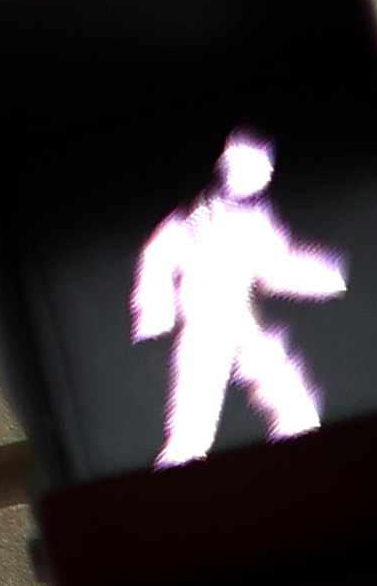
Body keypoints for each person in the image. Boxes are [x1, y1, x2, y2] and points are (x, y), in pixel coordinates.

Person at [131, 128, 348, 465]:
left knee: (291, 400)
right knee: (192, 419)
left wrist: (321, 277)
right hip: (205, 322)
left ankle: (300, 449)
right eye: (245, 169)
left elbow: (275, 266)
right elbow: (157, 256)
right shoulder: (195, 216)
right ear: (227, 168)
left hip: (241, 320)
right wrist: (156, 313)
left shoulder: (257, 219)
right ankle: (180, 466)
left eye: (260, 171)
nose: (253, 178)